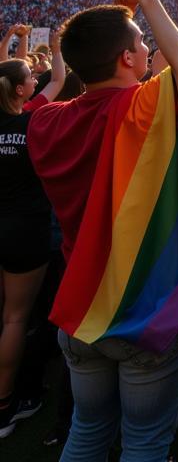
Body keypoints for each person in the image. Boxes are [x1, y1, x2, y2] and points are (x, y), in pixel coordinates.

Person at [28, 0, 178, 461]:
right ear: (130, 58)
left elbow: (79, 62)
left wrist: (125, 11)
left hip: (82, 307)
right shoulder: (143, 108)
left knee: (87, 434)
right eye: (139, 41)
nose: (145, 46)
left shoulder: (44, 122)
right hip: (149, 311)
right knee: (145, 444)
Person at [0, 28, 65, 438]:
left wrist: (10, 42)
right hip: (26, 231)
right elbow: (57, 80)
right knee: (16, 318)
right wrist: (56, 48)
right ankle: (5, 406)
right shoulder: (33, 119)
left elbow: (10, 71)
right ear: (25, 89)